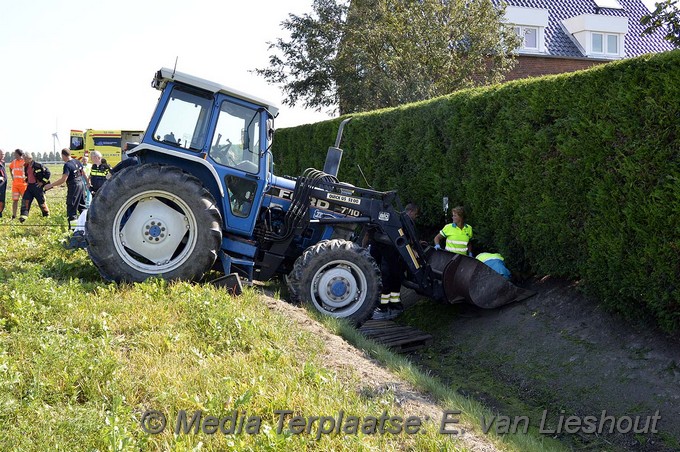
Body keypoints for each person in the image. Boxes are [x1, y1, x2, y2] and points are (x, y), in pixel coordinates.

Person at [372, 202, 420, 320]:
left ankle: (387, 308)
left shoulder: (395, 222)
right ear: (411, 212)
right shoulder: (407, 222)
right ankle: (391, 307)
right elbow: (409, 239)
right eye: (416, 215)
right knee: (392, 283)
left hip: (390, 258)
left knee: (389, 282)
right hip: (395, 258)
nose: (415, 217)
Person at [44, 148, 86, 228]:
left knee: (71, 209)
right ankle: (87, 226)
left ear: (63, 155)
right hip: (81, 184)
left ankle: (73, 230)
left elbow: (63, 180)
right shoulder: (77, 161)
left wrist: (50, 185)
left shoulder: (67, 165)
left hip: (74, 186)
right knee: (82, 207)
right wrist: (87, 183)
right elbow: (83, 173)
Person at [19, 152, 50, 222]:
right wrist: (26, 180)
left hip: (37, 187)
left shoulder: (38, 165)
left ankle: (46, 215)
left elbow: (48, 173)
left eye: (25, 159)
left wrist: (42, 182)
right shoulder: (26, 166)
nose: (24, 160)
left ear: (29, 158)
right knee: (25, 200)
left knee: (41, 202)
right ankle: (23, 217)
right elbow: (28, 174)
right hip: (29, 186)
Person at [9, 149, 27, 219]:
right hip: (15, 185)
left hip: (23, 185)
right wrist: (12, 176)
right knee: (15, 200)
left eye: (15, 154)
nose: (14, 155)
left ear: (19, 154)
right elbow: (10, 168)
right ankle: (14, 215)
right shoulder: (13, 162)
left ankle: (23, 215)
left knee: (24, 201)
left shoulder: (25, 162)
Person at [0, 151, 7, 217]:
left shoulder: (3, 162)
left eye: (4, 154)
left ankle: (0, 213)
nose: (3, 155)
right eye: (2, 154)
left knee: (2, 200)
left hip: (3, 185)